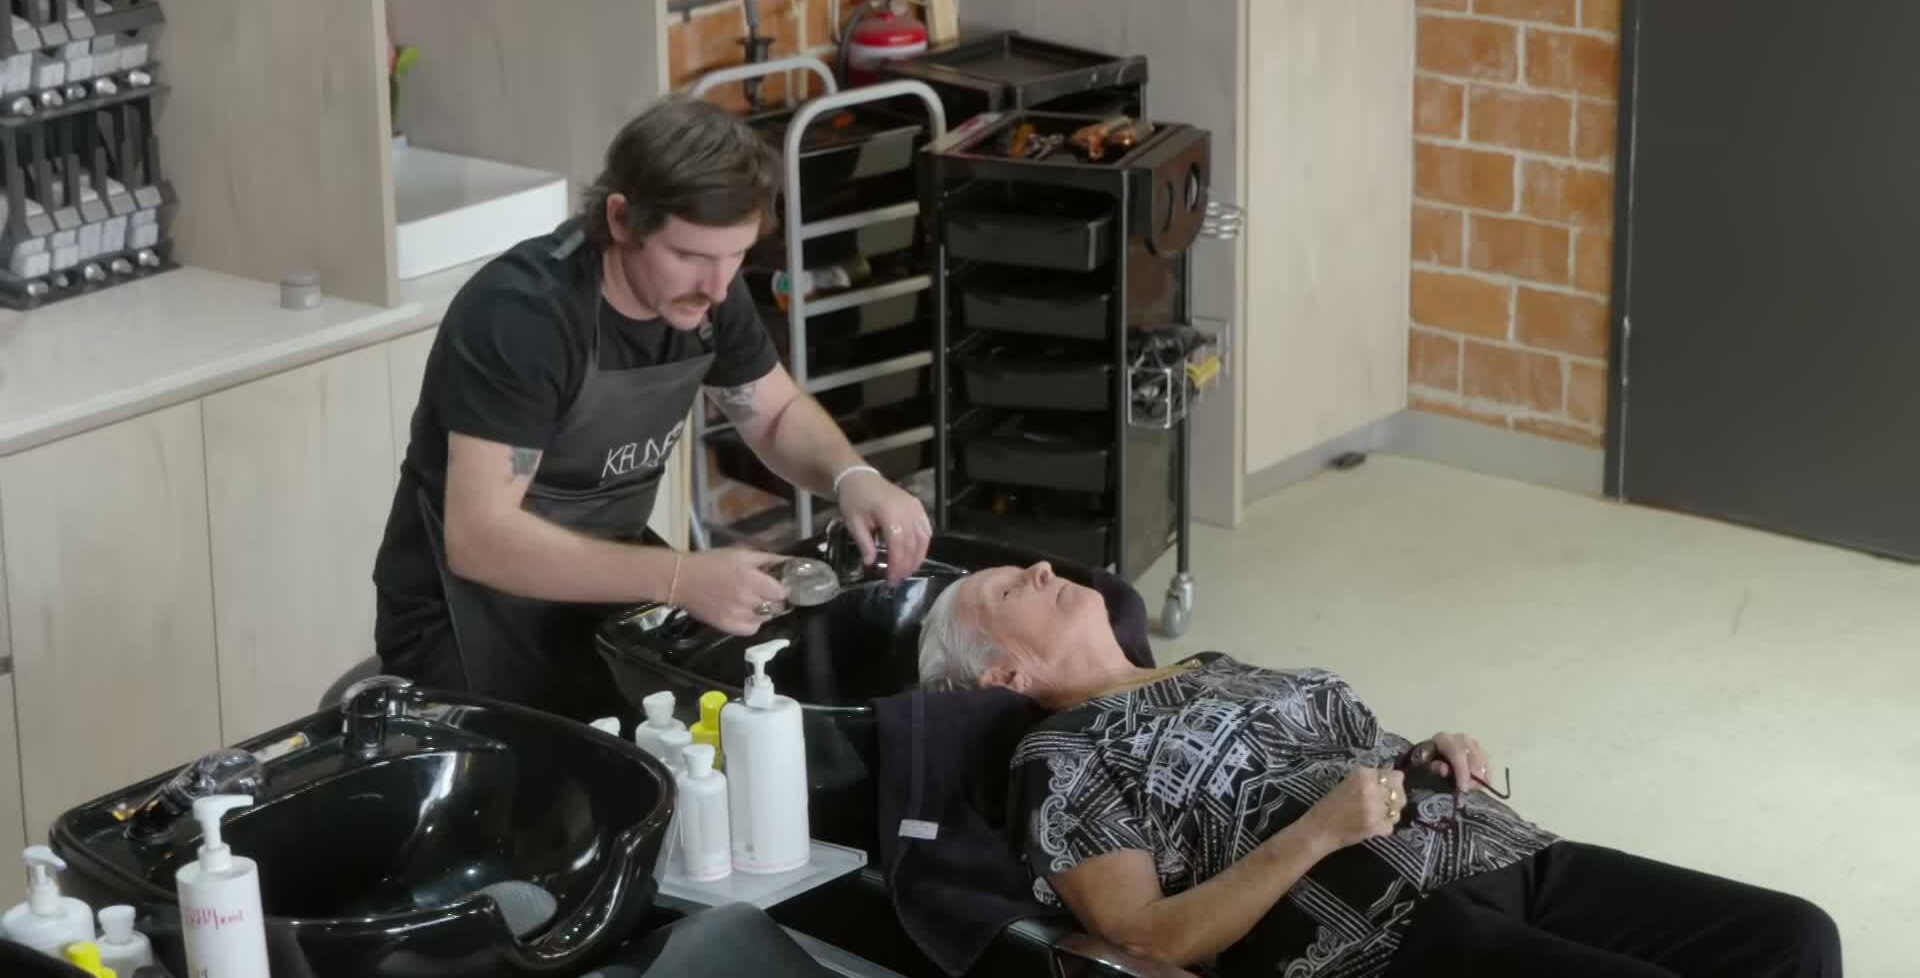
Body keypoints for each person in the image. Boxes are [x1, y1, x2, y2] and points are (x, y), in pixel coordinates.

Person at [916, 562, 1842, 978]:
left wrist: (1428, 756)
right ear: (1005, 675)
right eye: (1009, 589)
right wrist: (1317, 833)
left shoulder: (1214, 666)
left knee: (1794, 939)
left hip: (1503, 850)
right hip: (1393, 933)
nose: (1043, 569)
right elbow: (1151, 940)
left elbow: (1353, 757)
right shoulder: (1061, 757)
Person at [371, 95, 931, 722]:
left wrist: (852, 476)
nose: (717, 286)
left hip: (602, 592)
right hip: (465, 621)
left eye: (736, 256)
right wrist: (679, 578)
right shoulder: (524, 316)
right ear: (620, 219)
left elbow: (773, 415)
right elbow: (481, 539)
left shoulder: (709, 296)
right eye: (689, 256)